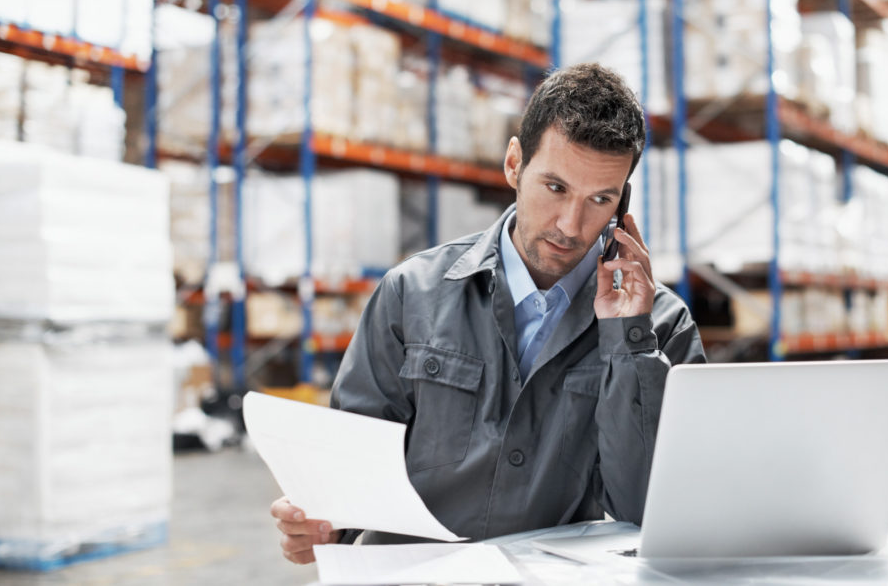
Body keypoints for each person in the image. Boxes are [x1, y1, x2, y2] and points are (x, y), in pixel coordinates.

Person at [271, 63, 706, 563]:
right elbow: (348, 475)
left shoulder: (661, 326)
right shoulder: (411, 294)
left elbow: (651, 509)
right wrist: (321, 526)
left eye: (600, 200)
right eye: (556, 187)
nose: (570, 224)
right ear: (514, 164)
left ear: (623, 202)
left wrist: (628, 338)